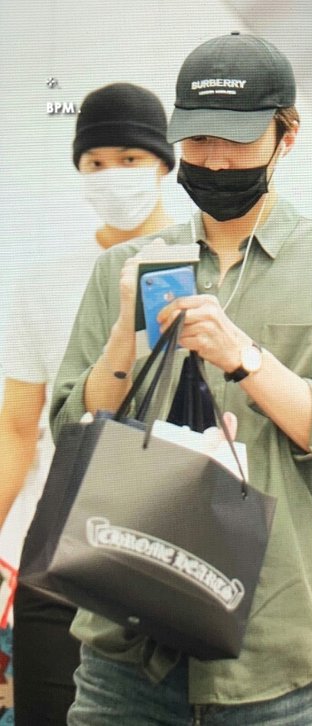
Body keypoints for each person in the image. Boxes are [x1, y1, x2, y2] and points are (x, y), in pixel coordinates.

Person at [50, 32, 312, 726]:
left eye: (236, 140)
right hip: (123, 647)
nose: (213, 159)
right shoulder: (127, 265)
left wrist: (247, 359)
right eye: (199, 138)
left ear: (287, 136)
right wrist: (124, 336)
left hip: (271, 657)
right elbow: (71, 433)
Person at [0, 82, 175, 725]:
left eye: (129, 158)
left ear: (162, 163)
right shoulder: (41, 283)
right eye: (95, 162)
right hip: (57, 544)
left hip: (169, 540)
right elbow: (17, 428)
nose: (112, 174)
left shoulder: (195, 267)